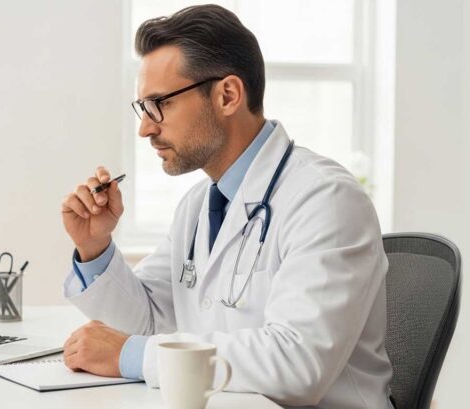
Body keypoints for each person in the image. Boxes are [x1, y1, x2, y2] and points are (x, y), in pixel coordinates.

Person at [58, 5, 394, 408]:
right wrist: (95, 248)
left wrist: (131, 355)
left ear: (228, 95)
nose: (145, 127)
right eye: (142, 108)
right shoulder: (200, 204)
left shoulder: (327, 200)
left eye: (158, 104)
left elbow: (297, 363)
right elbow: (150, 319)